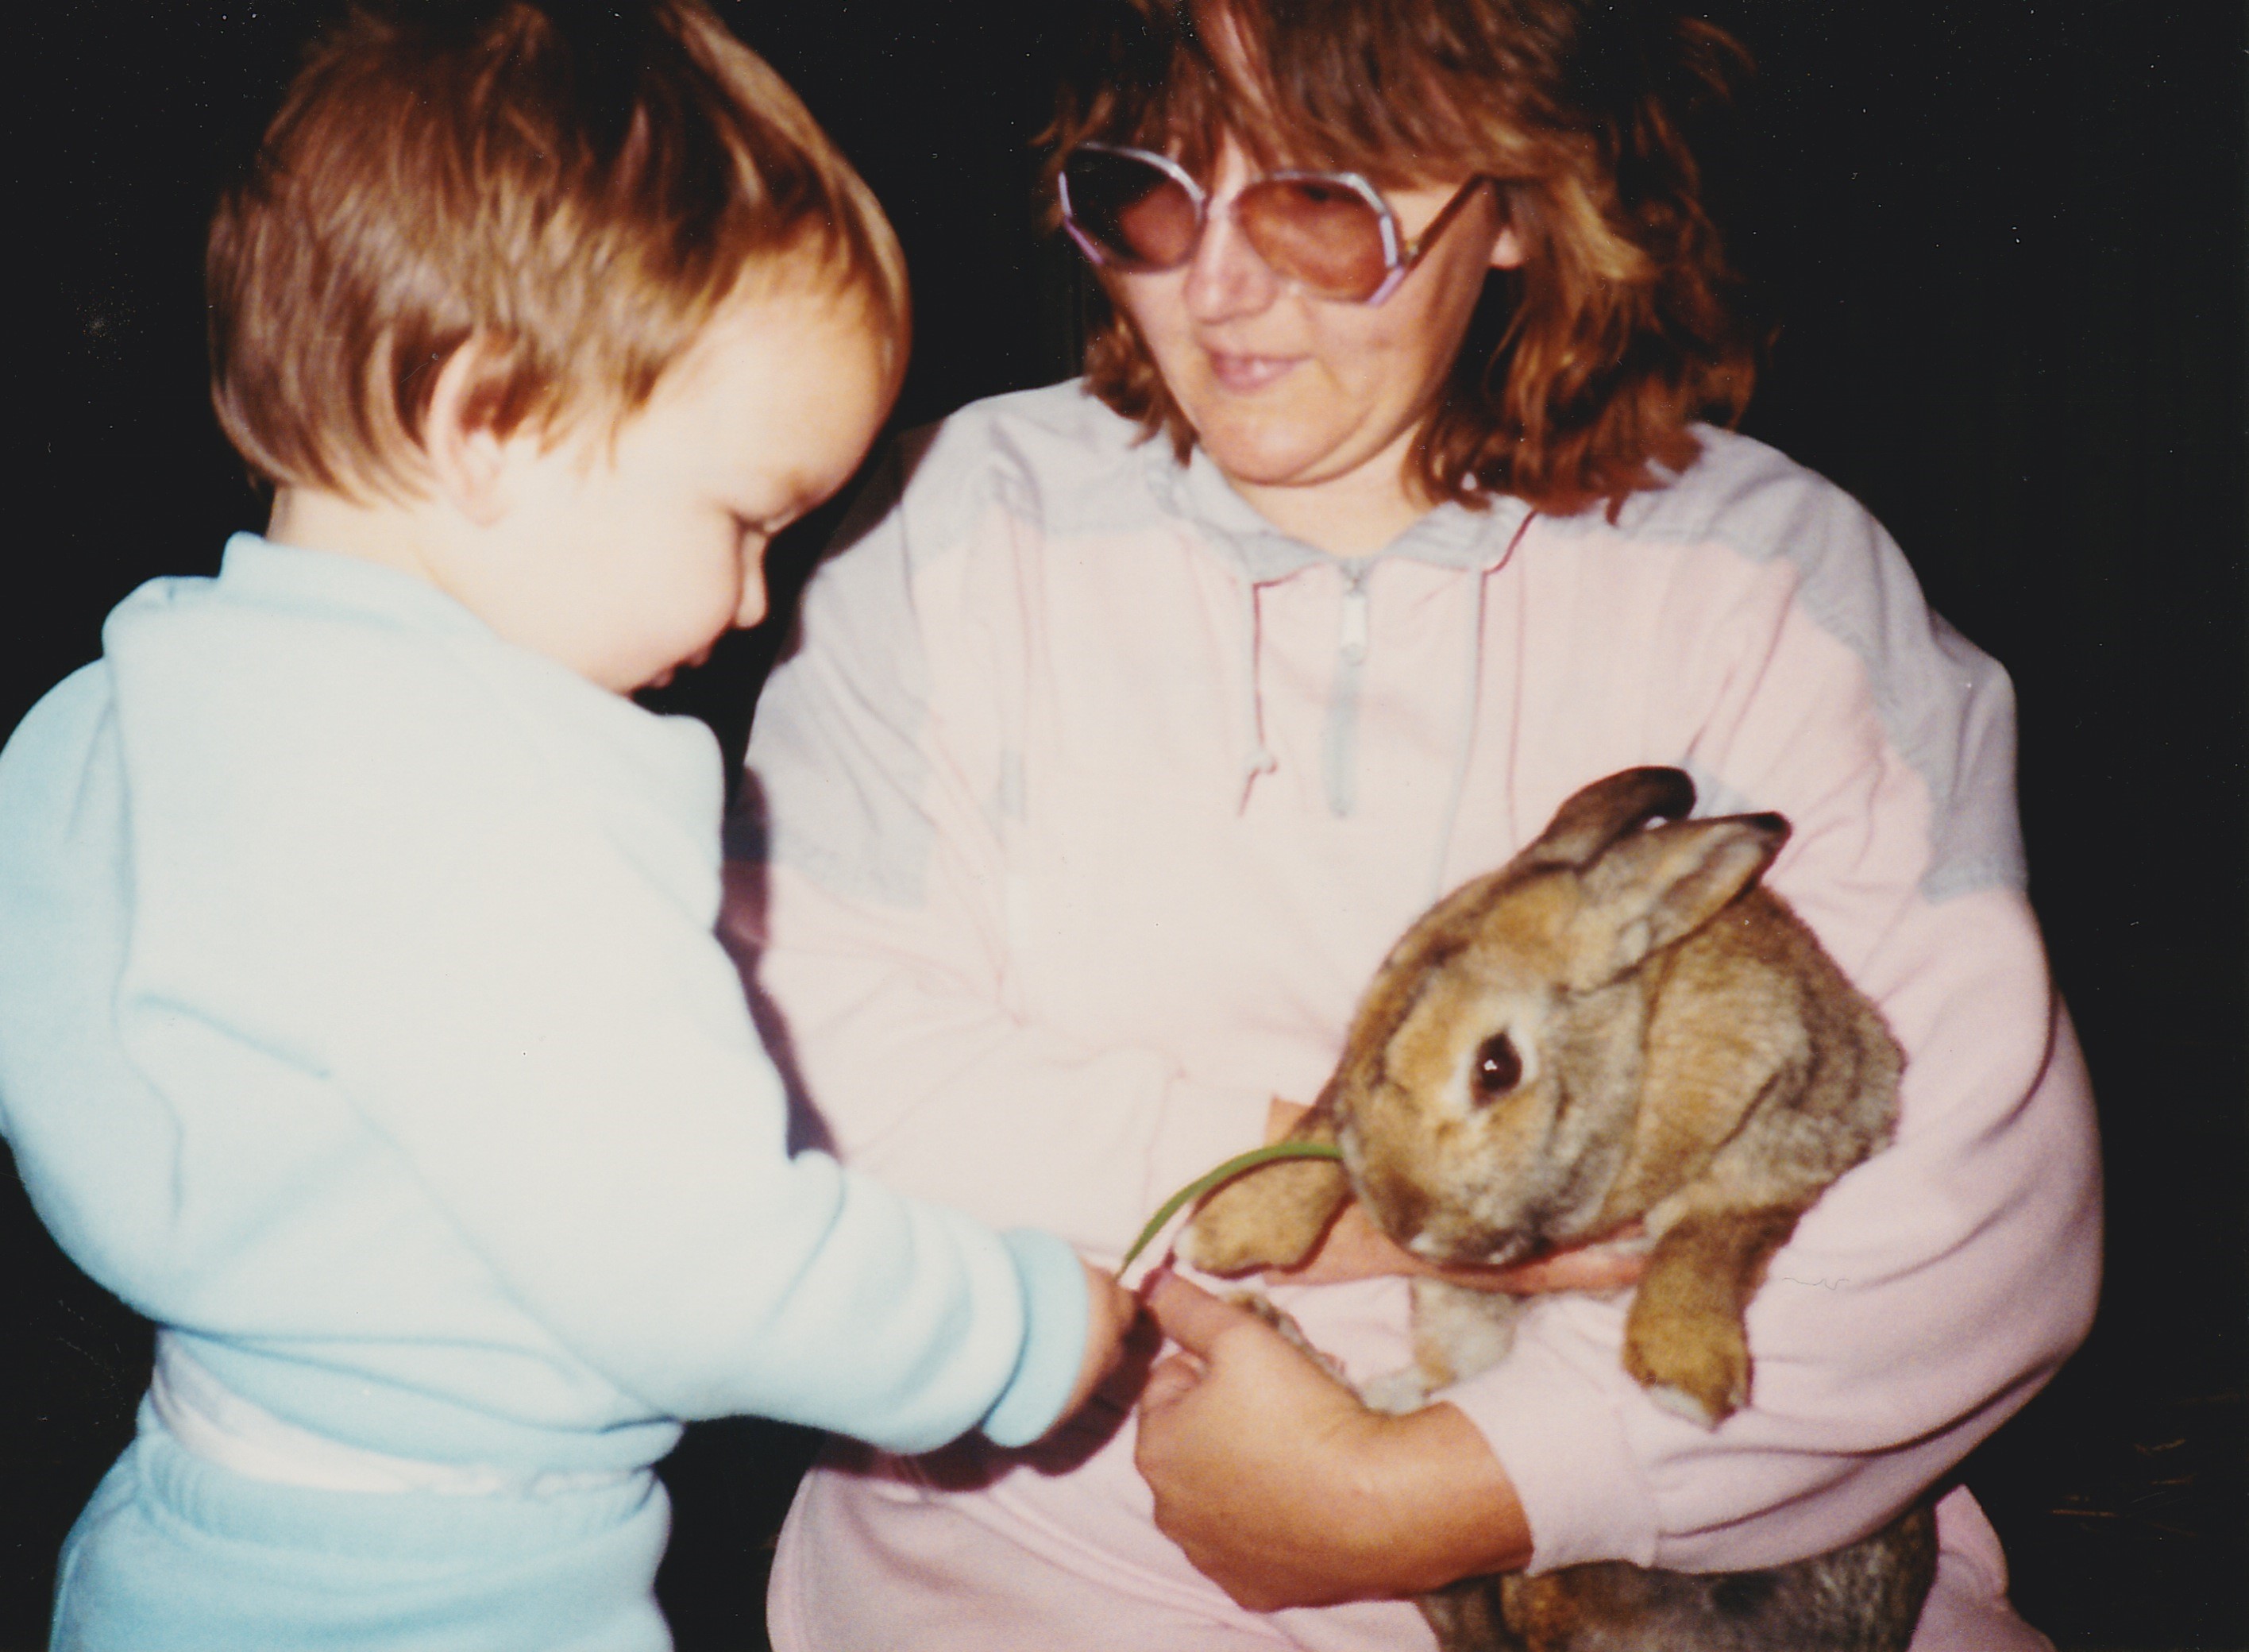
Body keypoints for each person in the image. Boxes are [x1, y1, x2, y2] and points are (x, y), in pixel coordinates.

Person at [736, 0, 2103, 1647]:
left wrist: (1438, 1492)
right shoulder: (946, 532)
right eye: (1149, 193)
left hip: (1695, 1557)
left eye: (1322, 201)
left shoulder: (1773, 585)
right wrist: (1349, 1196)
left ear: (1522, 199)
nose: (1216, 286)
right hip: (1054, 1556)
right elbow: (813, 1077)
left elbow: (1977, 1197)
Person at [0, 5, 1139, 1649]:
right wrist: (1019, 1328)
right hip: (454, 1592)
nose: (750, 601)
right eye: (744, 519)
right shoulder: (511, 807)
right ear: (490, 422)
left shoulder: (113, 712)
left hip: (178, 1534)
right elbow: (709, 1269)